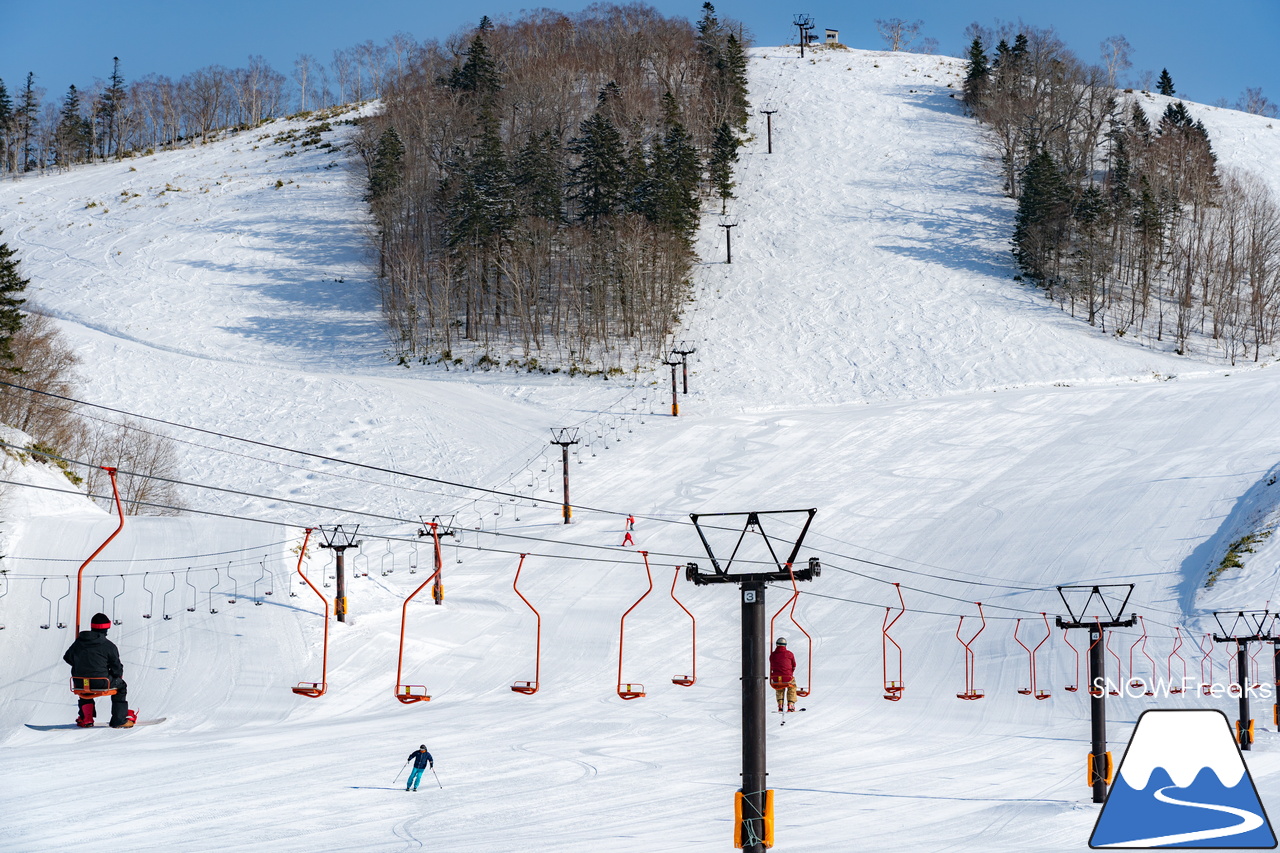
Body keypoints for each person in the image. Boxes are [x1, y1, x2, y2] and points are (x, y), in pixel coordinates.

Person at [63, 612, 134, 728]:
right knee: (121, 686)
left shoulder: (78, 642)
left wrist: (80, 664)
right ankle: (118, 719)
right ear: (106, 628)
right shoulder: (108, 646)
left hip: (80, 682)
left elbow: (67, 657)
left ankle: (86, 718)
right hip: (101, 682)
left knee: (85, 688)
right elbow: (117, 668)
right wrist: (115, 675)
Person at [769, 637, 797, 712]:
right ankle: (790, 704)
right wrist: (790, 672)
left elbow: (771, 665)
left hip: (775, 677)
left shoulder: (772, 655)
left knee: (779, 687)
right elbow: (794, 665)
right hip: (787, 677)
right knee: (792, 687)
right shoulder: (789, 654)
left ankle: (780, 704)